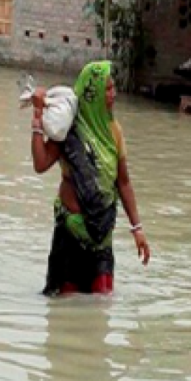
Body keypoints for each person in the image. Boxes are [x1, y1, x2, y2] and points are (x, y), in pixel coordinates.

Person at [31, 60, 150, 296]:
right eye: (107, 89)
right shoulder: (68, 128)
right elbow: (41, 163)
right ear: (91, 93)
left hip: (101, 236)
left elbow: (123, 182)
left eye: (113, 88)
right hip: (70, 234)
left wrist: (137, 228)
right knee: (64, 310)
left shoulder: (114, 131)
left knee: (101, 306)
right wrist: (37, 120)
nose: (113, 94)